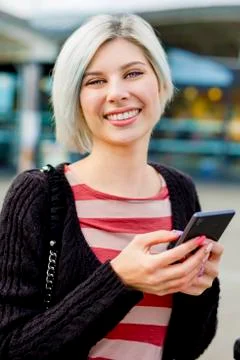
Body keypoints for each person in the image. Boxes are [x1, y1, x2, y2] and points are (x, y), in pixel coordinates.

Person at [0, 13, 223, 360]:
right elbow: (10, 349)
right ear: (75, 98)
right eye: (95, 81)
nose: (117, 93)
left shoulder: (180, 191)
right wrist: (120, 279)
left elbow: (188, 347)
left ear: (160, 83)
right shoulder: (39, 194)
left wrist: (201, 289)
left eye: (133, 73)